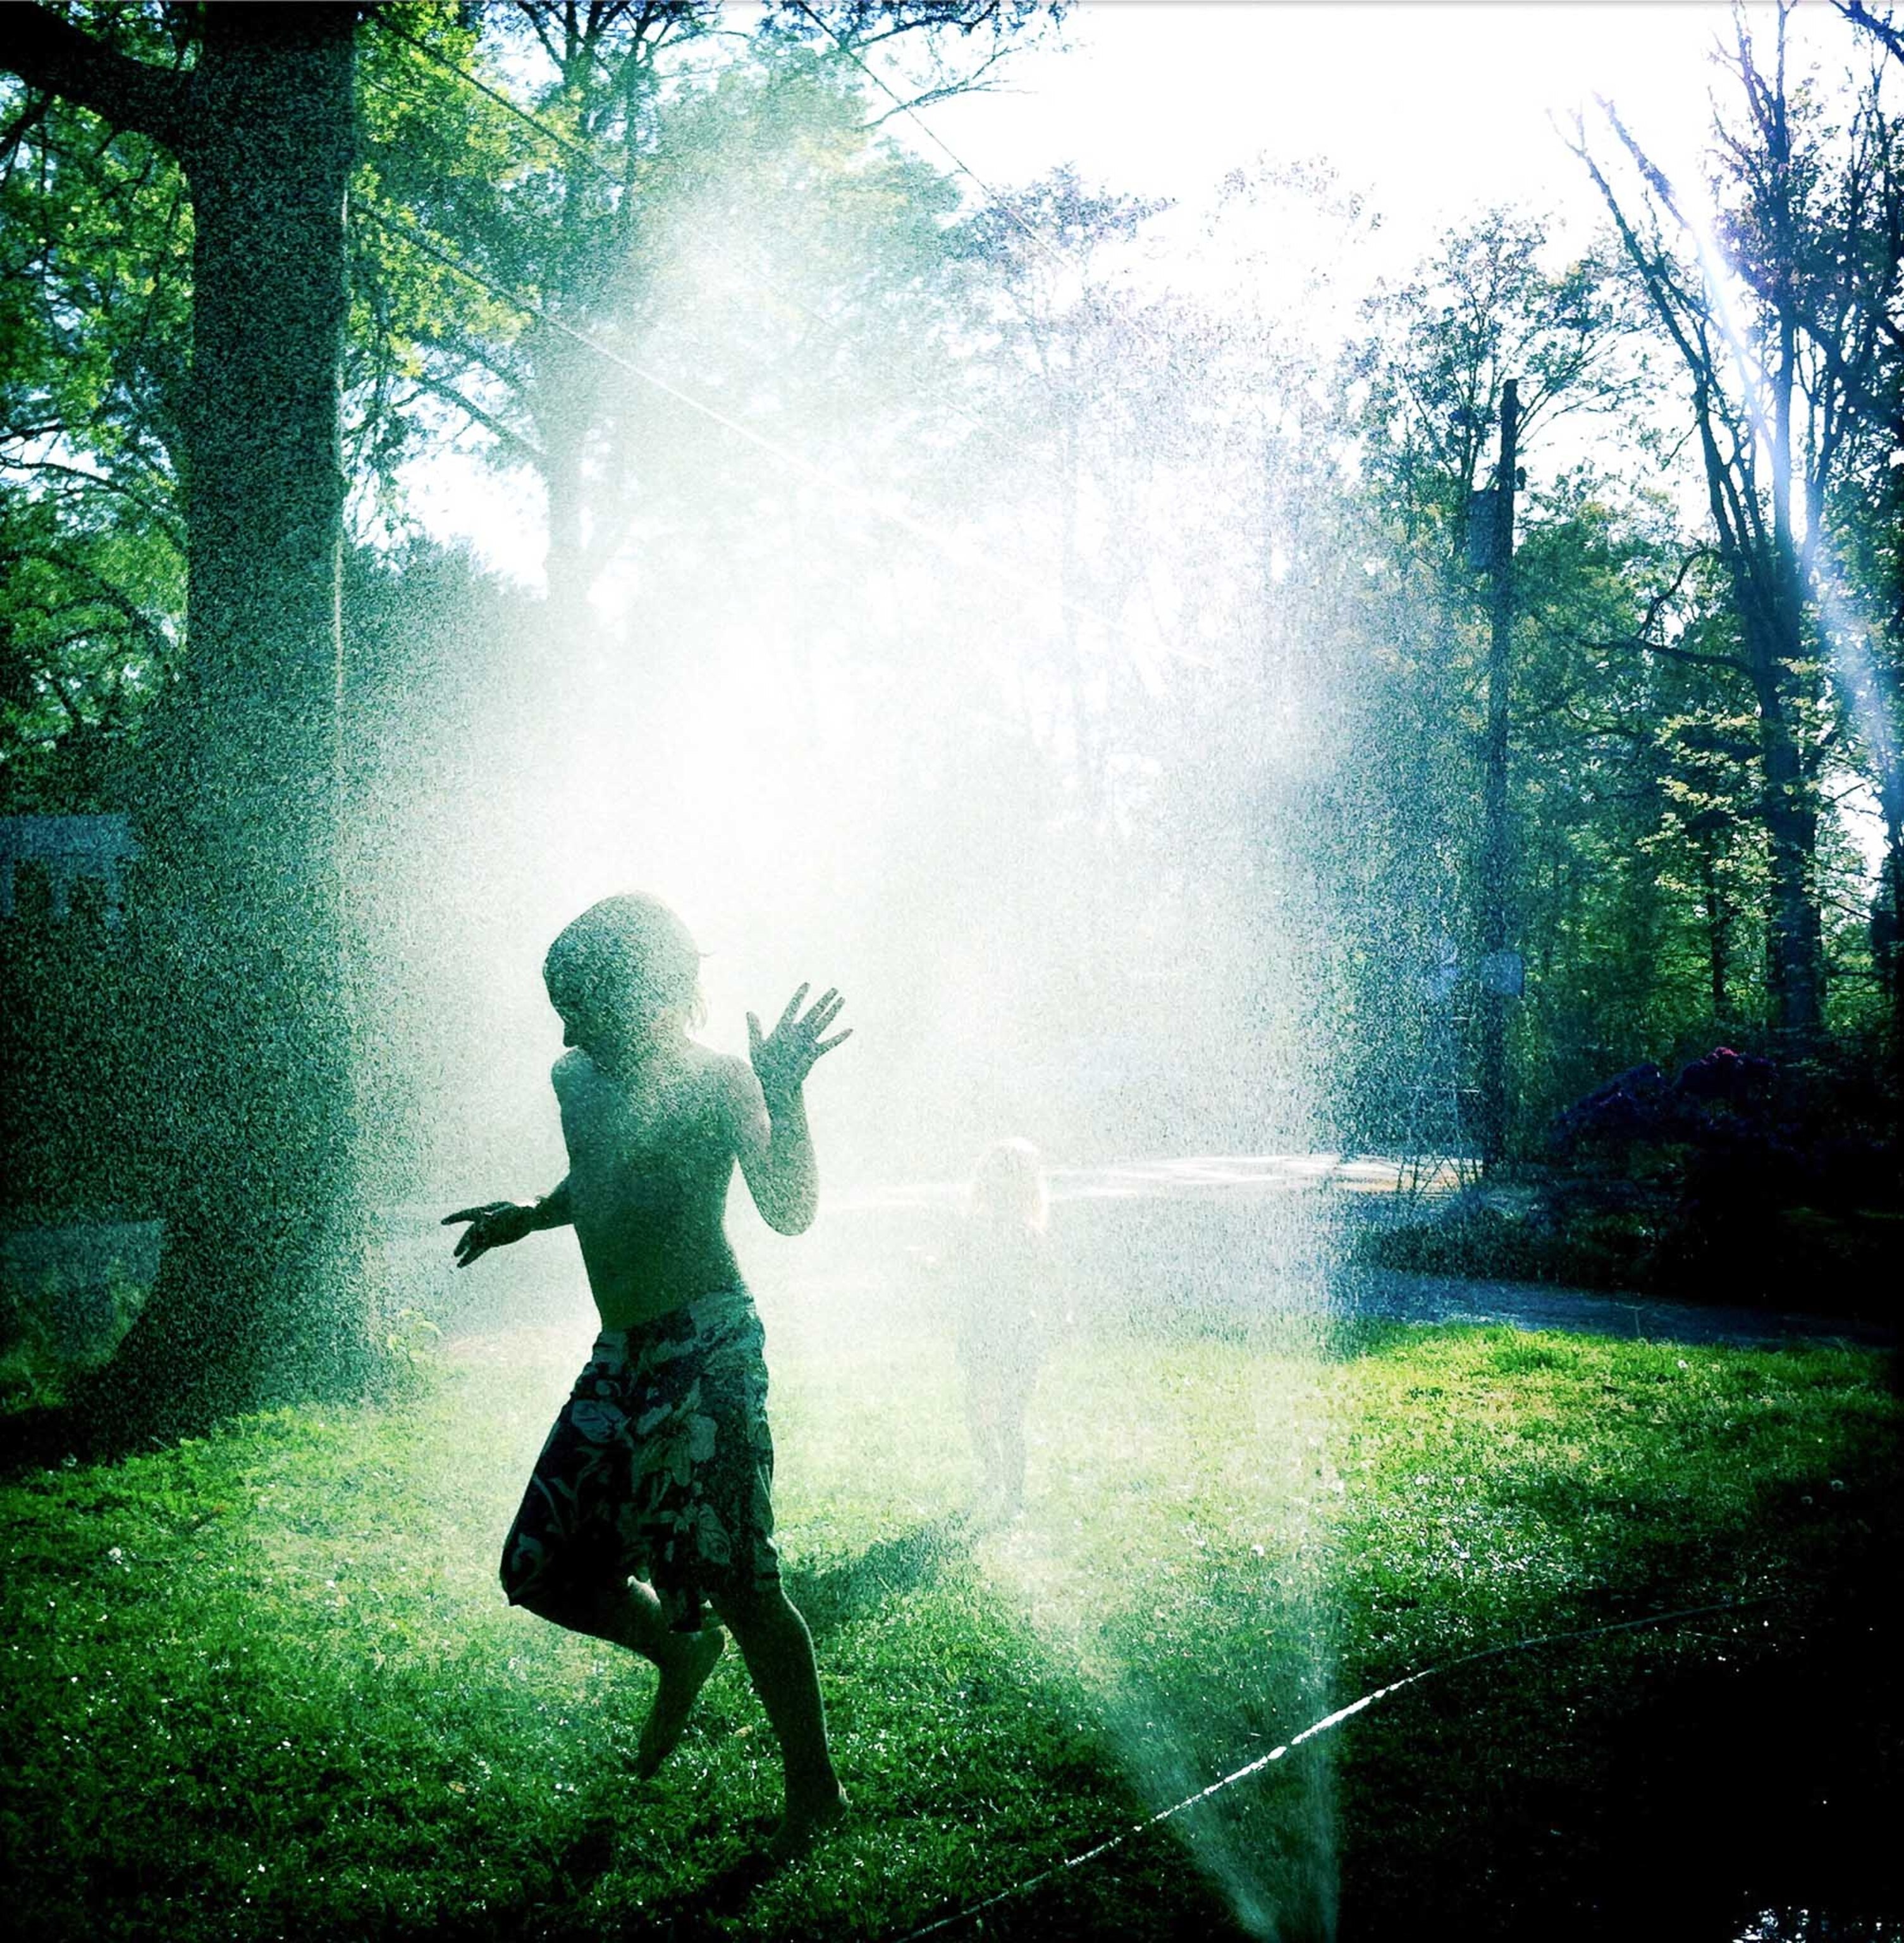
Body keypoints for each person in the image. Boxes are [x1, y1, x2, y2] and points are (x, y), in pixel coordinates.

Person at [442, 892, 849, 1858]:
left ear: (650, 995)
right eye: (559, 1007)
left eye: (581, 1004)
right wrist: (529, 1217)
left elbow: (789, 1211)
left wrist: (784, 1094)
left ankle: (815, 1795)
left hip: (707, 1347)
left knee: (739, 1576)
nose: (567, 1027)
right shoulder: (574, 1078)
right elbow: (603, 1174)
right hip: (620, 1355)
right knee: (537, 1566)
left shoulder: (720, 1085)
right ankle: (676, 1649)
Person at [952, 1138, 1052, 1519]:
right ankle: (1001, 1482)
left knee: (1001, 1418)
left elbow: (1049, 1281)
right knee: (989, 1416)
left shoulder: (1023, 1234)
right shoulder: (980, 1230)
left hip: (1011, 1337)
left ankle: (1011, 1495)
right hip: (995, 1336)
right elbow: (954, 1266)